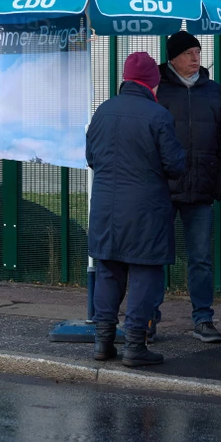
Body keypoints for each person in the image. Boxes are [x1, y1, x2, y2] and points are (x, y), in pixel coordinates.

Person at [87, 52, 186, 367]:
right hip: (145, 209)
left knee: (108, 271)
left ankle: (103, 343)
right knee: (145, 273)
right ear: (151, 83)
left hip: (105, 206)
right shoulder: (157, 115)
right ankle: (134, 346)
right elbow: (175, 165)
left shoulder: (103, 111)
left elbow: (92, 157)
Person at [154, 31, 221, 343]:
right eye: (189, 53)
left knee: (201, 257)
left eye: (198, 52)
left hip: (201, 187)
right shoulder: (158, 90)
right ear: (172, 57)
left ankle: (203, 319)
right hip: (163, 188)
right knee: (155, 255)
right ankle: (149, 317)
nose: (196, 58)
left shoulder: (214, 92)